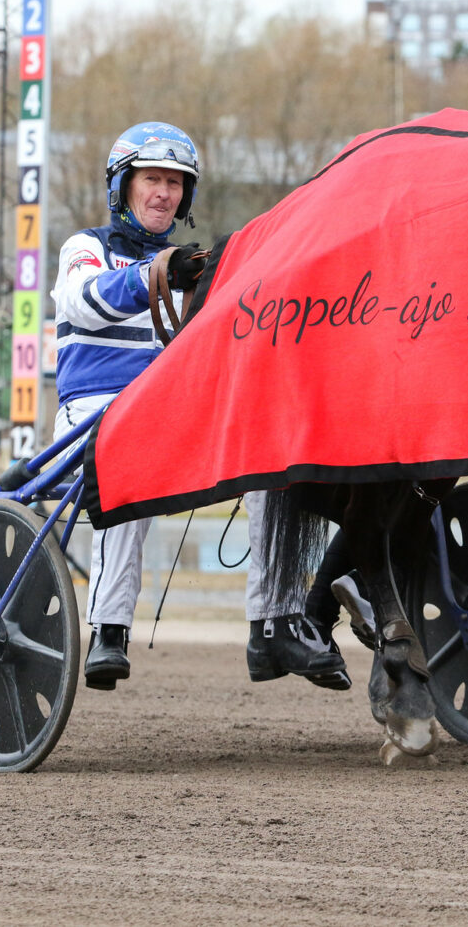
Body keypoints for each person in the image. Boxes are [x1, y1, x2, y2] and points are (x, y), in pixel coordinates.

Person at [52, 121, 347, 691]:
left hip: (168, 414)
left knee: (272, 457)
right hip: (93, 412)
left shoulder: (189, 266)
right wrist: (158, 273)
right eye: (152, 180)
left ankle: (272, 622)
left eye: (175, 183)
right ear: (123, 186)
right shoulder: (85, 249)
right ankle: (108, 630)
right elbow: (85, 303)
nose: (164, 193)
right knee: (122, 448)